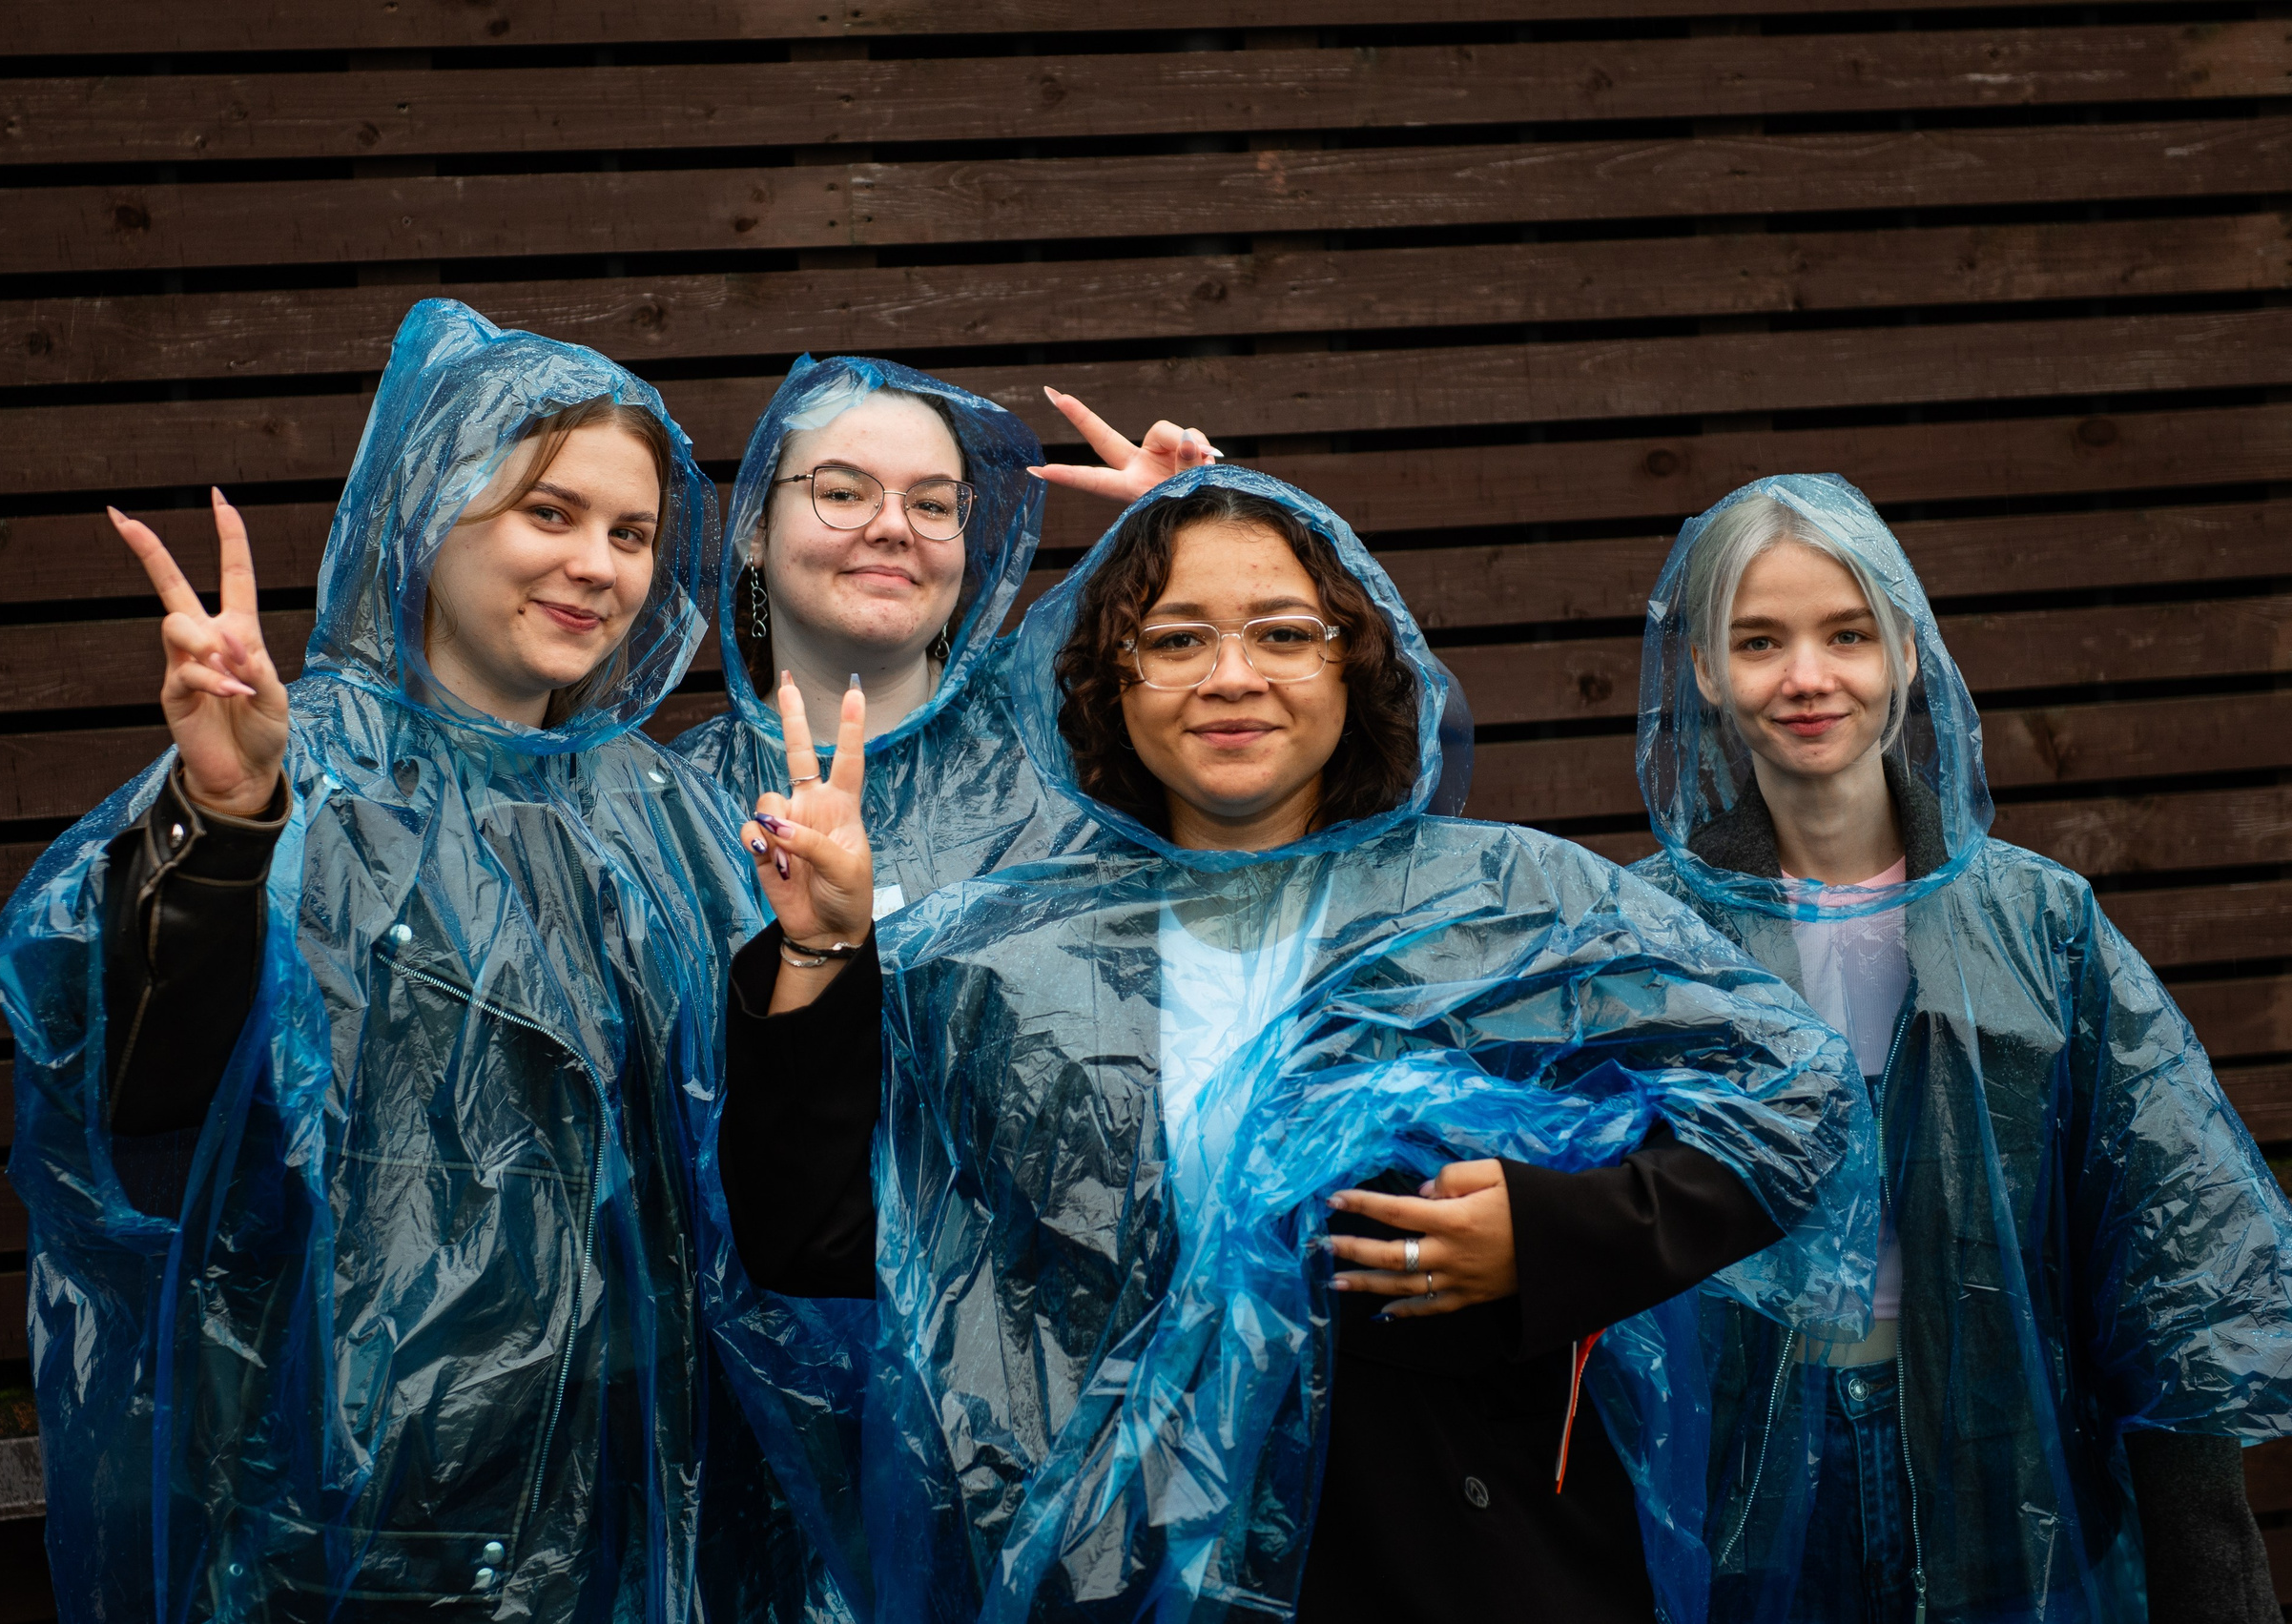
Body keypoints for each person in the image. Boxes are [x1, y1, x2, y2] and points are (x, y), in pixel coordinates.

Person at [709, 464, 1880, 1621]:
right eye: (1174, 641)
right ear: (1110, 680)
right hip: (1125, 1571)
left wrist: (1551, 1234)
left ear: (1353, 660)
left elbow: (1800, 1095)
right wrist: (821, 951)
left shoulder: (1509, 902)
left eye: (1282, 632)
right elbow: (818, 1235)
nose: (1231, 677)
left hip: (1466, 1558)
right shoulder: (1008, 953)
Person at [0, 299, 805, 1622]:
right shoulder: (288, 767)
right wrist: (223, 827)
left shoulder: (669, 815)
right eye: (548, 511)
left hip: (640, 1501)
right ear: (431, 512)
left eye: (633, 530)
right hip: (352, 1506)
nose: (596, 564)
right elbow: (137, 1106)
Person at [1627, 474, 2292, 1623]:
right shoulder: (1645, 933)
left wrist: (2213, 1579)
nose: (1806, 677)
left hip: (1995, 1450)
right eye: (1758, 639)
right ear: (1701, 670)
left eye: (1846, 632)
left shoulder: (2039, 923)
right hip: (1736, 1480)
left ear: (1904, 649)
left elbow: (2173, 1254)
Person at [671, 362, 1231, 914]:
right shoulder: (677, 803)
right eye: (842, 493)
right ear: (755, 531)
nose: (893, 526)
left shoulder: (1075, 722)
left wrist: (1193, 540)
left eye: (933, 504)